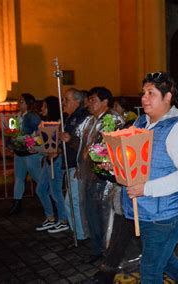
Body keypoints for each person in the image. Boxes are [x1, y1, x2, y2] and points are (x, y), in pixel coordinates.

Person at [125, 72, 178, 283]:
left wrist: (145, 188)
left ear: (167, 97)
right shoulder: (139, 123)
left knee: (150, 270)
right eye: (143, 93)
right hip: (142, 210)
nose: (144, 98)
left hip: (165, 215)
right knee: (164, 261)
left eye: (151, 93)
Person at [77, 87, 125, 263]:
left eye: (93, 100)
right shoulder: (90, 120)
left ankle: (109, 252)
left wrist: (91, 153)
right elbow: (82, 143)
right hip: (89, 175)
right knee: (91, 213)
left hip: (105, 178)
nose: (89, 103)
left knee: (106, 216)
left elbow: (110, 147)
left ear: (105, 102)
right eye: (89, 100)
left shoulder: (113, 120)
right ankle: (97, 248)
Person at [34, 96, 70, 233]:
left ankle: (63, 220)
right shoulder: (46, 123)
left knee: (55, 191)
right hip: (48, 160)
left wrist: (55, 150)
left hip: (56, 160)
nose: (42, 108)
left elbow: (59, 144)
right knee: (41, 189)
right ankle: (50, 218)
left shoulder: (61, 122)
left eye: (44, 106)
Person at [59, 88, 90, 241]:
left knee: (73, 201)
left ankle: (81, 234)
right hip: (70, 163)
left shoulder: (83, 118)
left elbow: (85, 144)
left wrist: (69, 139)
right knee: (73, 201)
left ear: (77, 102)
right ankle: (78, 232)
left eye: (66, 100)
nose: (63, 103)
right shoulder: (69, 117)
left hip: (78, 165)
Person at [9, 93, 42, 215]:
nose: (19, 103)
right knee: (19, 178)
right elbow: (13, 132)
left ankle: (50, 200)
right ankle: (17, 203)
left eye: (21, 101)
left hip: (30, 152)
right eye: (19, 101)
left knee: (38, 177)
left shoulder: (32, 116)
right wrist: (12, 143)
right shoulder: (18, 116)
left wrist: (31, 142)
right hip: (19, 152)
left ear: (28, 103)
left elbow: (39, 133)